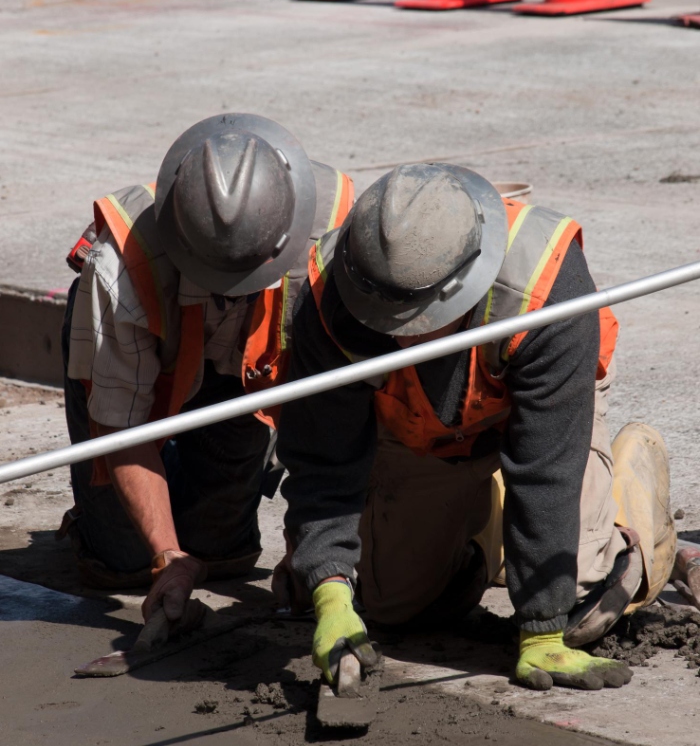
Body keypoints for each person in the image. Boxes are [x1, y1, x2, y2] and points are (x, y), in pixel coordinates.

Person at [275, 162, 676, 691]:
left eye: (415, 323)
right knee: (393, 608)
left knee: (578, 606)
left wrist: (540, 631)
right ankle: (482, 521)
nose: (398, 341)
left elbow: (544, 471)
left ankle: (628, 485)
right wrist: (329, 589)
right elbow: (324, 458)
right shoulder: (335, 293)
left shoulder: (547, 289)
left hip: (545, 420)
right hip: (427, 431)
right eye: (384, 318)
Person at [59, 113, 353, 628]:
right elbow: (121, 429)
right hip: (143, 374)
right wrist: (167, 558)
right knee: (122, 563)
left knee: (222, 556)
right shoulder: (122, 265)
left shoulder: (333, 239)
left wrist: (308, 550)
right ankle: (104, 517)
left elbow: (331, 413)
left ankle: (199, 484)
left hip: (242, 380)